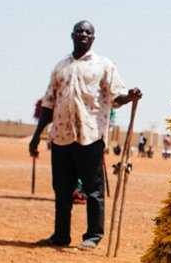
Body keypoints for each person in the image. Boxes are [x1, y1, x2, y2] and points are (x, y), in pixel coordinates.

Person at [29, 21, 141, 249]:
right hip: (61, 136)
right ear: (72, 35)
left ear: (93, 38)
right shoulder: (60, 67)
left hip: (90, 137)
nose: (83, 34)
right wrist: (36, 136)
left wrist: (129, 97)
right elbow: (48, 104)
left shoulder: (103, 66)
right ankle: (60, 235)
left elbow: (116, 97)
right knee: (61, 189)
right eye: (79, 31)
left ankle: (93, 236)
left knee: (93, 190)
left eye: (88, 32)